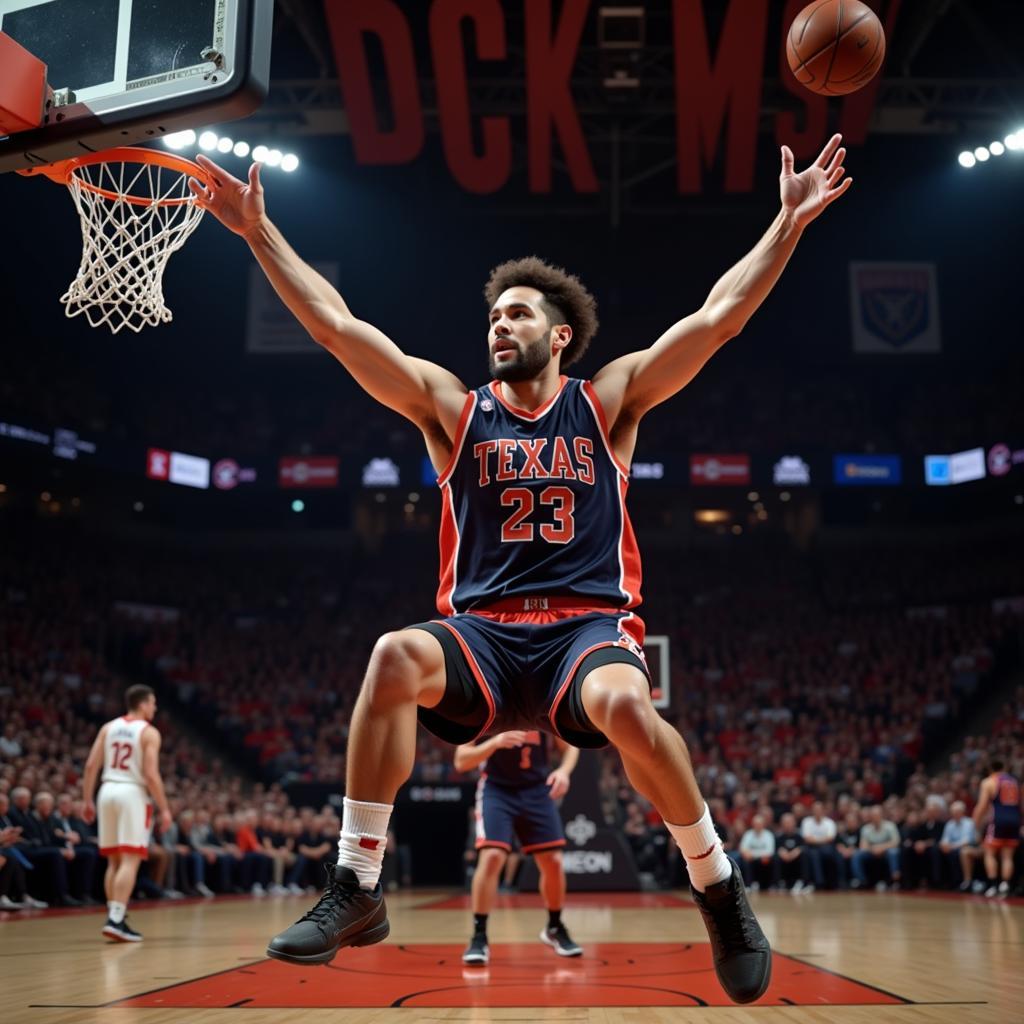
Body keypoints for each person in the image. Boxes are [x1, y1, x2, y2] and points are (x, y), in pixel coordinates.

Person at [192, 130, 854, 1005]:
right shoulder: (452, 409)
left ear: (560, 333)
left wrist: (788, 223)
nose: (498, 324)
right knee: (392, 655)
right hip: (483, 635)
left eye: (517, 313)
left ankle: (717, 884)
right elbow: (339, 329)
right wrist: (257, 234)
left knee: (625, 700)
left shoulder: (607, 401)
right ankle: (357, 884)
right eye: (493, 314)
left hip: (587, 627)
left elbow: (717, 319)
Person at [454, 730, 580, 965]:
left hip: (537, 790)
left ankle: (554, 926)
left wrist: (564, 771)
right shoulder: (488, 707)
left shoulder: (542, 705)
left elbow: (572, 746)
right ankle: (479, 935)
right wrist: (494, 742)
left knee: (553, 861)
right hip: (497, 790)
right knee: (492, 856)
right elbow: (461, 761)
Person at [82, 684, 172, 941]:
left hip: (107, 790)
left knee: (114, 860)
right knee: (131, 859)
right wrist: (165, 809)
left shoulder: (108, 727)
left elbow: (90, 766)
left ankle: (115, 916)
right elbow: (151, 775)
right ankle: (116, 918)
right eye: (153, 703)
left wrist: (87, 800)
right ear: (143, 704)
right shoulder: (148, 732)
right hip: (132, 792)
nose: (154, 707)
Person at [973, 759, 1021, 898]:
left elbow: (982, 805)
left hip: (998, 819)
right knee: (1007, 856)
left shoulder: (989, 781)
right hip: (1015, 819)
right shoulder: (1015, 781)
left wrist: (975, 822)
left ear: (990, 769)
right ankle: (1005, 885)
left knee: (990, 853)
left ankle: (993, 885)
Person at [939, 801, 978, 891]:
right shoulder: (950, 824)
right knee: (938, 851)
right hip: (952, 848)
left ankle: (962, 882)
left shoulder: (969, 823)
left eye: (956, 812)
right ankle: (944, 882)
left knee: (958, 853)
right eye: (953, 812)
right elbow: (945, 839)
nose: (954, 814)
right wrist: (944, 845)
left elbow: (967, 841)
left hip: (966, 847)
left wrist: (951, 846)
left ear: (962, 812)